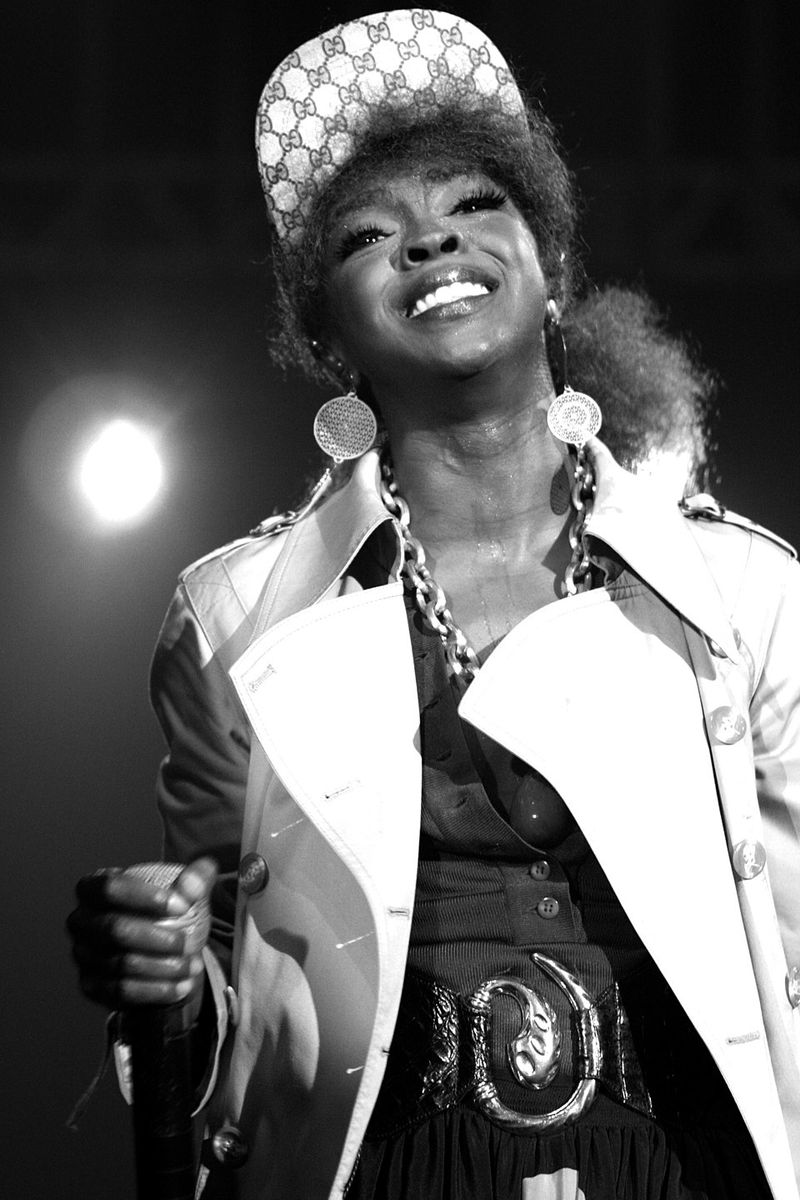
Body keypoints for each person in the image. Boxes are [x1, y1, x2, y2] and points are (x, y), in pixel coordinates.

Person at [67, 10, 800, 1200]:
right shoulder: (234, 617)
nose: (429, 240)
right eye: (369, 235)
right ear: (326, 332)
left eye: (474, 203)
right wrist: (161, 974)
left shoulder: (744, 594)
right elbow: (226, 1004)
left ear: (548, 266)